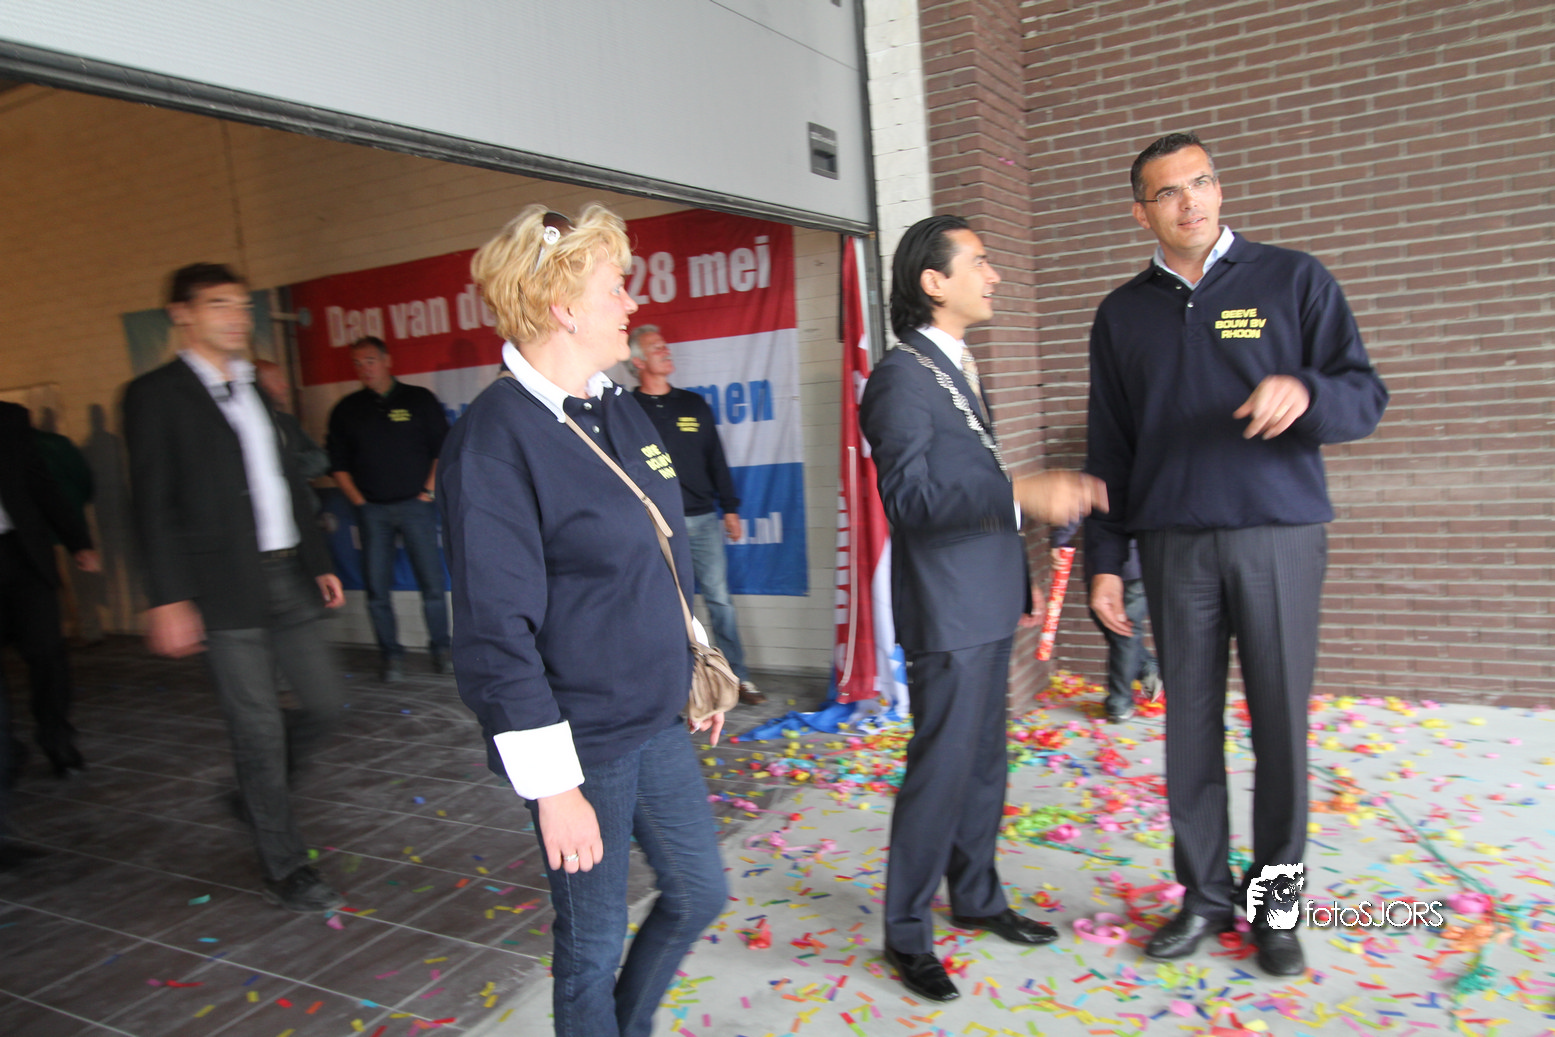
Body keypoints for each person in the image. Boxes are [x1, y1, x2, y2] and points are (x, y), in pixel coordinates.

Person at [1084, 132, 1388, 977]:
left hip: (1276, 535)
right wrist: (1106, 558)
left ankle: (1275, 908)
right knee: (1188, 728)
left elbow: (1364, 395)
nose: (1189, 200)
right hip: (1171, 543)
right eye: (1168, 191)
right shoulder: (1120, 314)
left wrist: (1305, 390)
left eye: (1201, 182)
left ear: (1218, 189)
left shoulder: (1293, 279)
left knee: (1278, 727)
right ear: (1140, 211)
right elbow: (1110, 446)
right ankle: (1203, 895)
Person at [440, 204, 728, 1036]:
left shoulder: (618, 407)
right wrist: (553, 786)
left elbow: (657, 553)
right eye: (615, 289)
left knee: (699, 891)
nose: (631, 304)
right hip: (580, 741)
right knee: (592, 947)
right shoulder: (494, 439)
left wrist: (693, 660)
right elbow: (494, 632)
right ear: (563, 307)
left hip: (657, 713)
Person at [858, 214, 1106, 1003]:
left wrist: (1016, 578)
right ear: (933, 281)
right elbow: (910, 499)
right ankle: (906, 932)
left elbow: (969, 482)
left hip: (983, 599)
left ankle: (974, 895)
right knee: (941, 769)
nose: (993, 275)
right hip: (946, 610)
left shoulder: (955, 366)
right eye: (980, 262)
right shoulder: (898, 379)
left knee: (984, 764)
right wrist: (1020, 495)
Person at [123, 262, 349, 912]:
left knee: (328, 704)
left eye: (242, 306)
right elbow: (153, 502)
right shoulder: (155, 394)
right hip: (221, 585)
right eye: (219, 304)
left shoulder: (253, 388)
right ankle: (285, 866)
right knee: (257, 729)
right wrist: (167, 596)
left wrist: (318, 559)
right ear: (182, 313)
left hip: (287, 572)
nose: (235, 317)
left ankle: (253, 793)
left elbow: (288, 482)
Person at [629, 325, 765, 706]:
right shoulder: (626, 411)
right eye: (656, 348)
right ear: (638, 362)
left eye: (665, 345)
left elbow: (715, 458)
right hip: (656, 525)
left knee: (720, 600)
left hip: (704, 520)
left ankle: (738, 678)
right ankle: (680, 684)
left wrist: (730, 508)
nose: (666, 350)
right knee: (672, 607)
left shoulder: (693, 405)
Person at [326, 336, 451, 681]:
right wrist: (359, 502)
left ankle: (441, 650)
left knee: (432, 585)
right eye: (358, 363)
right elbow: (337, 464)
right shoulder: (347, 409)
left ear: (386, 360)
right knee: (377, 591)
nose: (364, 369)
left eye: (370, 361)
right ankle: (391, 656)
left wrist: (427, 492)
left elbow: (443, 450)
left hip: (416, 507)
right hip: (373, 512)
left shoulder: (418, 399)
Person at [0, 401, 99, 794]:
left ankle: (57, 739)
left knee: (47, 653)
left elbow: (41, 482)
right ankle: (6, 752)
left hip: (21, 555)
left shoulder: (9, 418)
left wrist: (78, 541)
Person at [1051, 522, 1159, 722]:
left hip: (1124, 562)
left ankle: (1120, 702)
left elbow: (1077, 506)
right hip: (1114, 562)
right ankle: (1146, 666)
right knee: (1115, 626)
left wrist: (1059, 539)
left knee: (1124, 631)